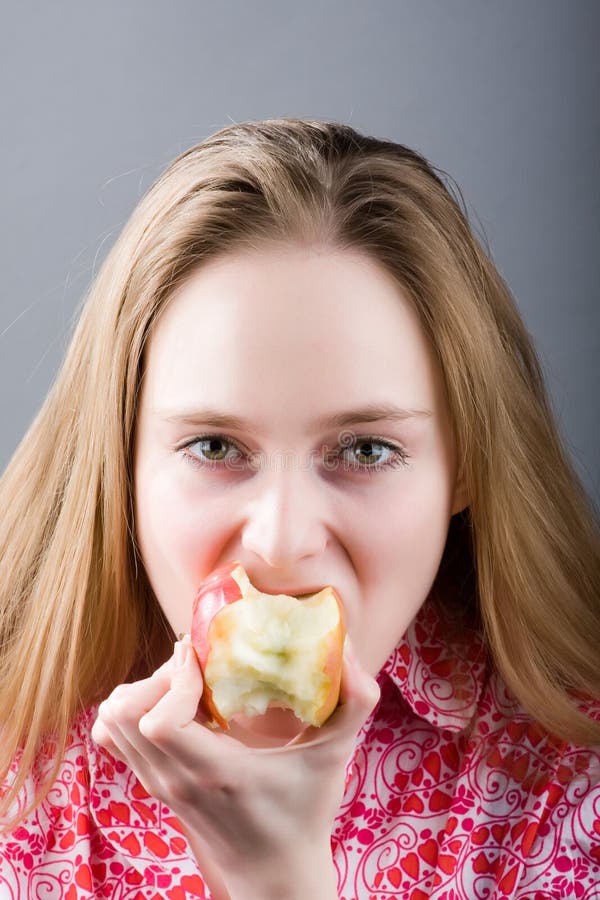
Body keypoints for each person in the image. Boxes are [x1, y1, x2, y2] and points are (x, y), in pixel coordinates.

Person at [1, 118, 599, 900]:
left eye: (365, 451)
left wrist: (276, 884)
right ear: (122, 464)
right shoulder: (22, 781)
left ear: (465, 469)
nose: (281, 543)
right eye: (215, 447)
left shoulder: (567, 791)